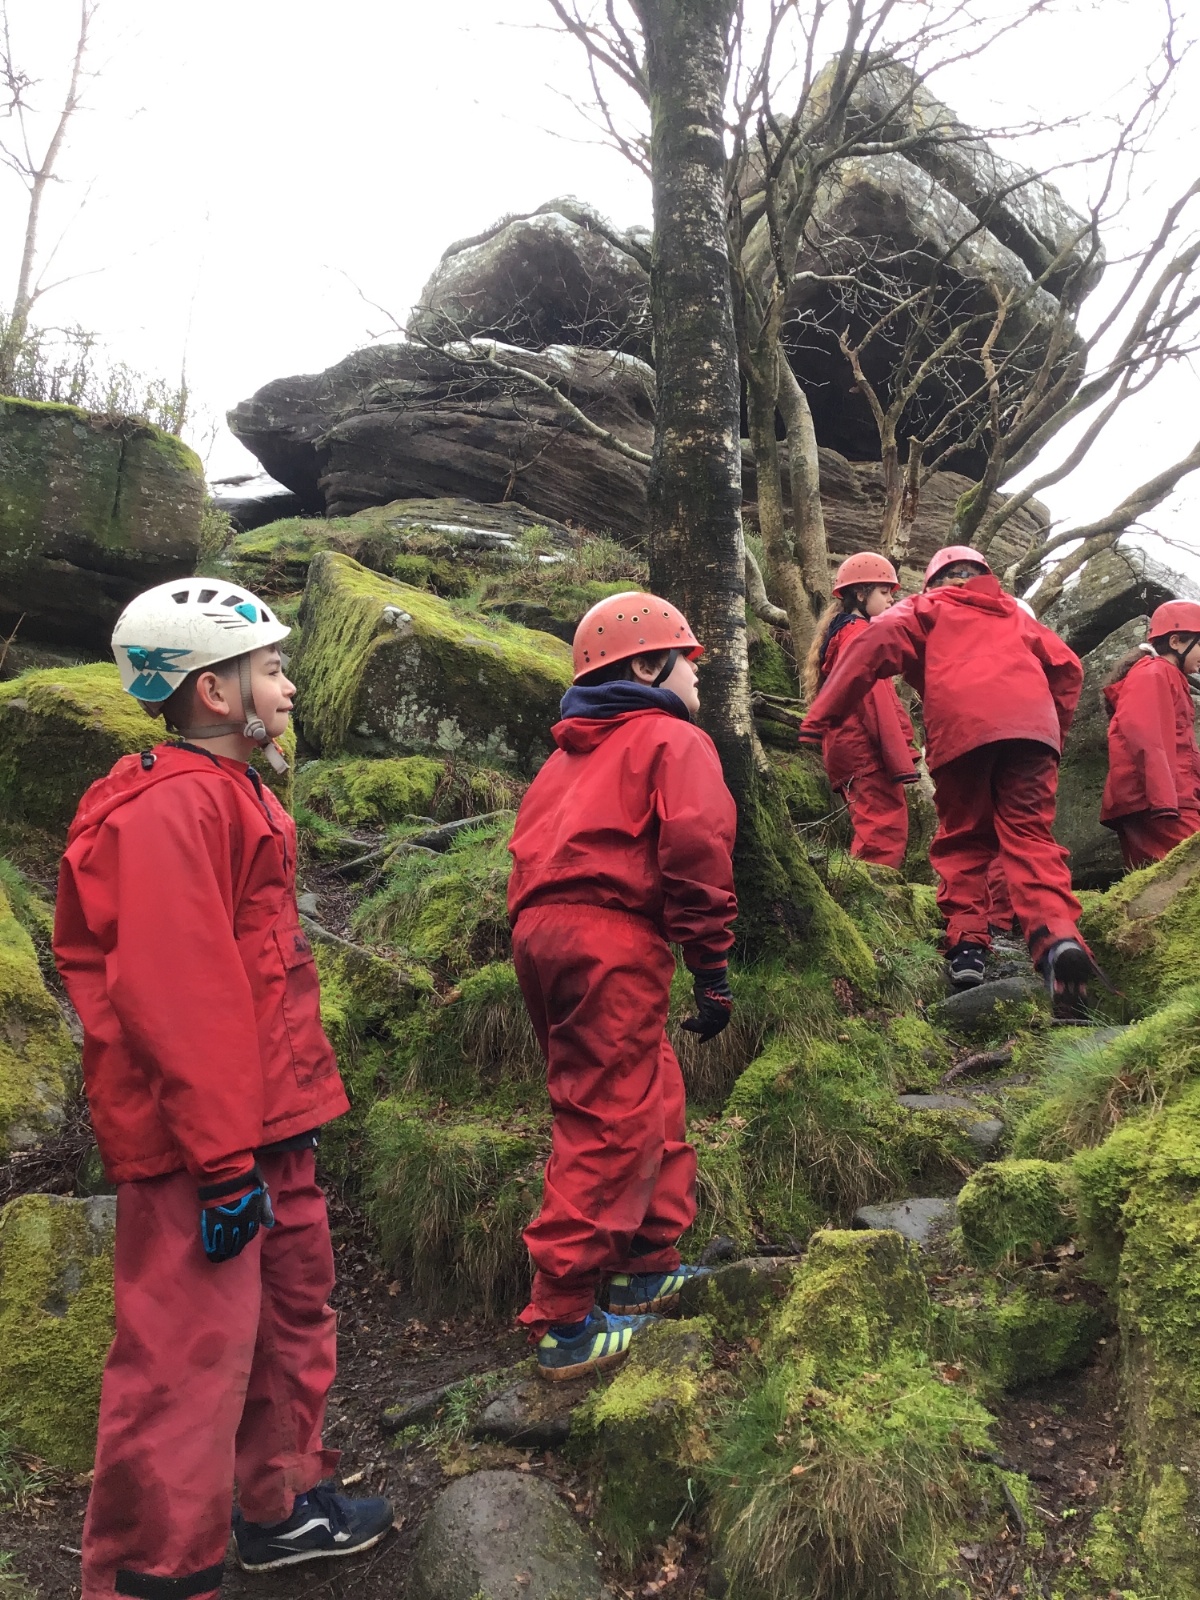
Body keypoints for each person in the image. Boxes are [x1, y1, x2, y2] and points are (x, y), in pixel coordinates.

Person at [54, 578, 394, 1600]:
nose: (289, 686)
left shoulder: (233, 790)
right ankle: (154, 1576)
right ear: (213, 691)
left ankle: (279, 1508)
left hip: (264, 1125)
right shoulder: (169, 809)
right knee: (184, 1356)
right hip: (199, 1146)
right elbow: (176, 993)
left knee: (290, 1314)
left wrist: (271, 1133)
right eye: (272, 669)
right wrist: (219, 1162)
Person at [507, 591, 737, 1380]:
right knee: (609, 1113)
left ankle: (645, 1261)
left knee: (647, 1086)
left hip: (542, 936)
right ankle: (564, 1317)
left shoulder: (564, 758)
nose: (699, 678)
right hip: (610, 937)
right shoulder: (673, 740)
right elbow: (698, 848)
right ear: (647, 666)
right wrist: (711, 964)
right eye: (688, 662)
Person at [799, 545, 1093, 1012]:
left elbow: (870, 648)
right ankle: (1058, 939)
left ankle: (968, 947)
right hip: (1033, 736)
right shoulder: (1014, 615)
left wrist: (821, 716)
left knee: (963, 839)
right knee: (1031, 838)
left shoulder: (926, 607)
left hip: (962, 733)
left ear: (935, 582)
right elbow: (1068, 669)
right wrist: (1051, 730)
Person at [802, 552, 919, 870]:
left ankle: (865, 891)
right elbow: (874, 702)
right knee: (882, 833)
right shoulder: (858, 636)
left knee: (875, 830)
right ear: (860, 594)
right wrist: (899, 755)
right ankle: (873, 897)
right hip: (866, 752)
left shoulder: (846, 633)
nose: (891, 600)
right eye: (884, 592)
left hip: (854, 750)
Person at [1101, 599, 1200, 868]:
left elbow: (1182, 750)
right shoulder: (1155, 673)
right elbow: (1147, 737)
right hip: (1160, 803)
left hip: (1162, 800)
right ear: (1176, 641)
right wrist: (1164, 803)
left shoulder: (1165, 675)